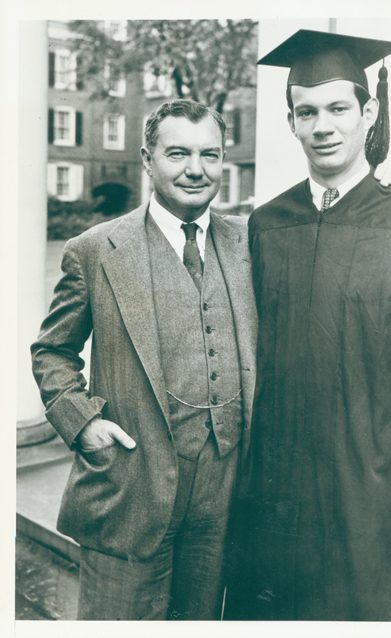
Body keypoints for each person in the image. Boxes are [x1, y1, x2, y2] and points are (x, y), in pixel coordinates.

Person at [225, 30, 391, 622]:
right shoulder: (269, 225)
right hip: (278, 505)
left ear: (368, 112)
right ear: (291, 121)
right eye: (307, 111)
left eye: (339, 108)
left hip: (380, 505)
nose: (324, 126)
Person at [31, 99, 259, 620]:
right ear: (146, 158)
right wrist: (82, 423)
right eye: (178, 153)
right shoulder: (93, 249)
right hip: (129, 485)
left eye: (210, 154)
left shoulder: (248, 242)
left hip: (222, 496)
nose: (195, 169)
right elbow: (52, 350)